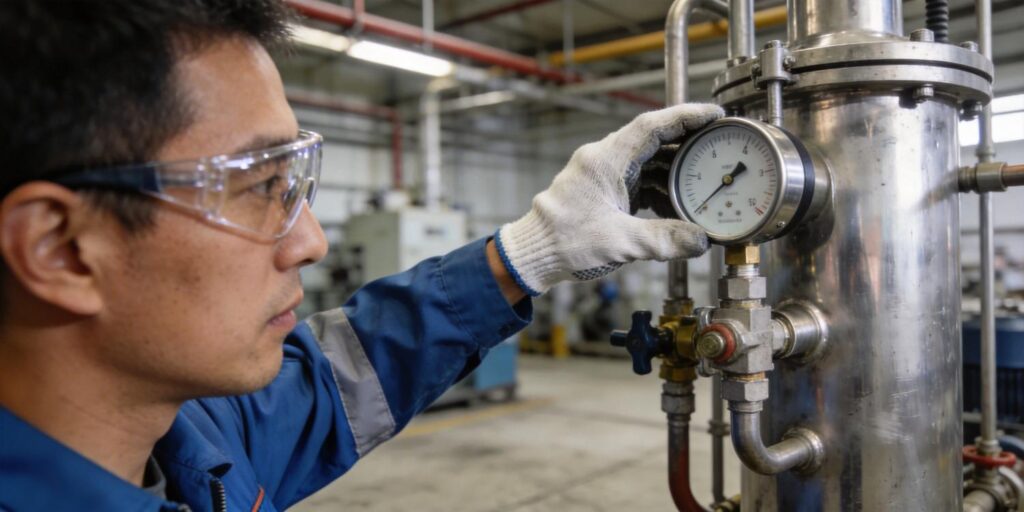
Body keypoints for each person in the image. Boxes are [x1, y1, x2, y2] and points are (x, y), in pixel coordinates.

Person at [0, 1, 721, 510]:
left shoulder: (193, 435)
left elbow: (343, 375)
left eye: (296, 184)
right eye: (259, 187)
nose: (310, 241)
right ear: (61, 248)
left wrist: (527, 254)